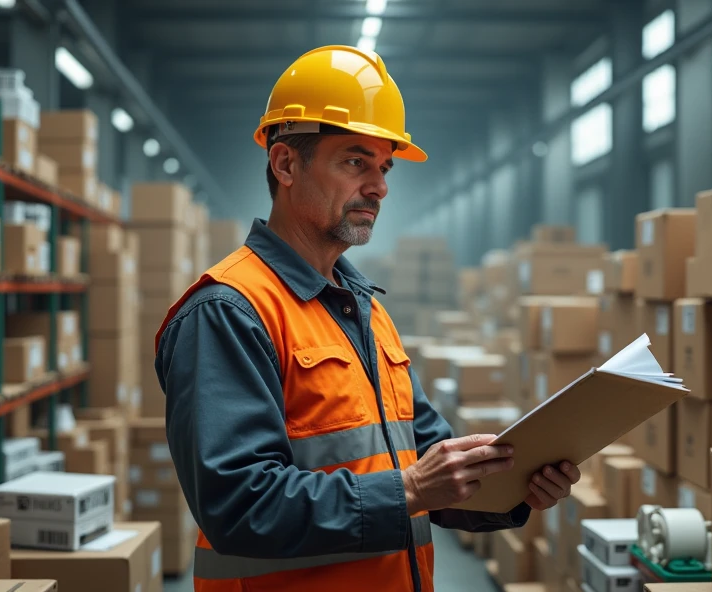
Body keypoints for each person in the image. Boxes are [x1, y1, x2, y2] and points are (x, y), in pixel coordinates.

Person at [153, 45, 581, 592]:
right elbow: (241, 507)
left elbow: (423, 462)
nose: (378, 186)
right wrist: (410, 490)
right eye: (355, 161)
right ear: (285, 164)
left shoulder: (366, 308)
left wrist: (513, 488)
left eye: (383, 167)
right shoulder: (229, 311)